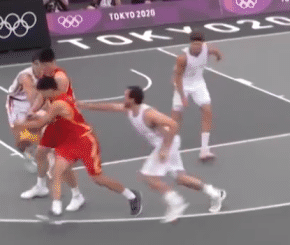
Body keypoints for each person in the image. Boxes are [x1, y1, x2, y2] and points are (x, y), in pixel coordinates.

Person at [77, 86, 226, 223]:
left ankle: (176, 203)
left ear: (133, 99)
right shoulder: (129, 109)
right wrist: (86, 106)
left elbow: (173, 125)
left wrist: (165, 149)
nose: (123, 98)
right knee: (180, 178)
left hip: (167, 143)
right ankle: (215, 193)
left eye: (126, 96)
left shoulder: (148, 114)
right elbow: (110, 107)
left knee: (148, 177)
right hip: (167, 144)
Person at [15, 76, 142, 217]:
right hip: (68, 143)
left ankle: (131, 195)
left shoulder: (59, 103)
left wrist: (21, 124)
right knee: (57, 171)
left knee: (97, 179)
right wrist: (36, 117)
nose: (41, 96)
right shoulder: (56, 98)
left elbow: (41, 123)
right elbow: (52, 118)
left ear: (49, 90)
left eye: (42, 92)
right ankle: (57, 208)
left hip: (85, 141)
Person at [20, 47, 74, 197]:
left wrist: (43, 118)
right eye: (41, 66)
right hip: (53, 115)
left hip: (65, 118)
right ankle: (41, 185)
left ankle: (76, 194)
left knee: (60, 160)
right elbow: (41, 96)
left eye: (45, 65)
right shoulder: (45, 74)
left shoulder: (60, 79)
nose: (42, 69)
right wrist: (33, 110)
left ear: (52, 62)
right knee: (40, 150)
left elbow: (59, 104)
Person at [171, 31, 222, 161]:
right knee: (176, 116)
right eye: (195, 45)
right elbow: (177, 78)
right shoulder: (182, 58)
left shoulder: (205, 49)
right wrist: (183, 96)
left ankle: (204, 150)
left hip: (199, 84)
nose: (197, 47)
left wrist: (218, 55)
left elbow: (213, 51)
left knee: (207, 111)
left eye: (199, 45)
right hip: (183, 85)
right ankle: (168, 144)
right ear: (190, 44)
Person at [5, 53, 43, 172]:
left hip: (34, 100)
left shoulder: (48, 74)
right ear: (34, 64)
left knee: (38, 127)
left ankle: (41, 147)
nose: (43, 68)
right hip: (17, 104)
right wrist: (37, 111)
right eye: (40, 65)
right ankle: (26, 149)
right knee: (22, 138)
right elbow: (31, 95)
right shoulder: (25, 76)